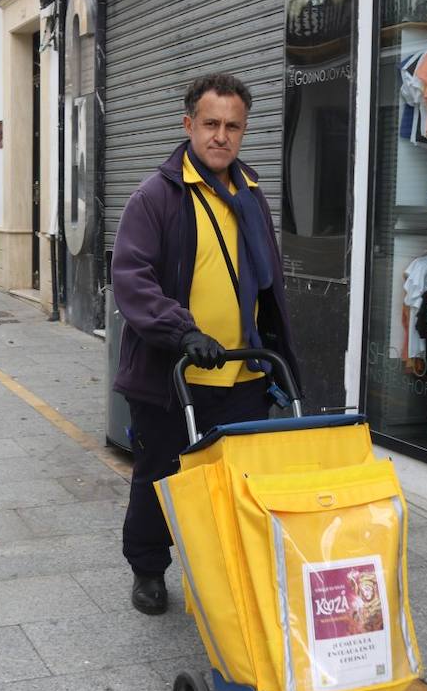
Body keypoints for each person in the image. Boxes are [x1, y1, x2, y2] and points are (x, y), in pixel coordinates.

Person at [111, 72, 299, 615]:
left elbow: (267, 283)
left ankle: (228, 571)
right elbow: (133, 278)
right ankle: (148, 569)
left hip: (242, 373)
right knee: (159, 480)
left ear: (244, 131)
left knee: (238, 481)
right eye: (211, 123)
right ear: (188, 124)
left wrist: (278, 355)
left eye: (233, 126)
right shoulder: (157, 197)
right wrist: (183, 331)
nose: (222, 135)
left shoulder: (251, 194)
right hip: (174, 377)